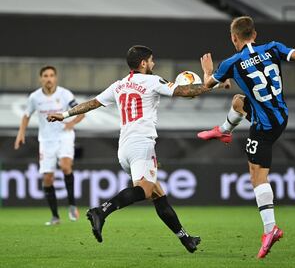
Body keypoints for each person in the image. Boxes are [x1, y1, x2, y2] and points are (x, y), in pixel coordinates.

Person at [47, 45, 226, 253]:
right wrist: (210, 81)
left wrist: (65, 114)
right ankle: (101, 211)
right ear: (143, 63)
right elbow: (184, 91)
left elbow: (92, 103)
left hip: (124, 148)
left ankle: (186, 238)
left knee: (157, 194)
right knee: (146, 190)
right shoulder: (152, 81)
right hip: (142, 144)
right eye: (151, 60)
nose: (153, 64)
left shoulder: (119, 85)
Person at [197, 16, 295, 258]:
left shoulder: (231, 62)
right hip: (281, 115)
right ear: (254, 34)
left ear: (234, 38)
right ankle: (224, 130)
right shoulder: (273, 47)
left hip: (265, 126)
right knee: (239, 102)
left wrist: (209, 72)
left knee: (257, 177)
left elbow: (205, 87)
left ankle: (270, 229)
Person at [14, 66, 85, 225]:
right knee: (47, 178)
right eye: (45, 76)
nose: (49, 78)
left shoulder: (65, 94)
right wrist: (21, 134)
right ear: (41, 79)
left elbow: (81, 112)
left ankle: (72, 205)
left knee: (66, 166)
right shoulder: (34, 97)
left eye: (51, 75)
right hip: (46, 141)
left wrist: (71, 123)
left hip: (64, 136)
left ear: (56, 78)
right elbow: (26, 116)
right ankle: (55, 217)